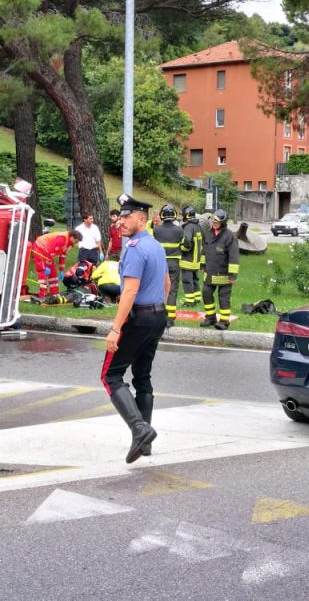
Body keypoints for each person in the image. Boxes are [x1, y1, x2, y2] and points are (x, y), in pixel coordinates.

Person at [102, 195, 169, 464]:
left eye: (127, 217)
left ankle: (139, 429)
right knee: (142, 376)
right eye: (121, 216)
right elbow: (165, 284)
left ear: (142, 219)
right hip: (157, 316)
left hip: (138, 319)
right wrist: (158, 312)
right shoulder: (156, 245)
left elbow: (129, 291)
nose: (121, 221)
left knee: (111, 375)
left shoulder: (134, 247)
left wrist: (116, 329)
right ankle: (144, 443)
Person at [200, 209, 240, 330]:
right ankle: (211, 317)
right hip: (210, 272)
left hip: (224, 275)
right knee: (206, 293)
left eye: (217, 221)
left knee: (223, 298)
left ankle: (224, 321)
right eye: (213, 221)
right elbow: (204, 250)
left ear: (223, 222)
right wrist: (203, 266)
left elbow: (234, 257)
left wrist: (232, 275)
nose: (214, 223)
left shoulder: (229, 236)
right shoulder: (207, 233)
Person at [152, 204, 184, 327]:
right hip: (173, 264)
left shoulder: (157, 230)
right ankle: (170, 319)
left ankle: (158, 315)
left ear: (162, 215)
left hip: (160, 264)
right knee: (172, 290)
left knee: (159, 289)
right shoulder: (179, 230)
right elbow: (185, 245)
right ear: (174, 215)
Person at [29, 229, 81, 297]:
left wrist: (61, 270)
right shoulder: (62, 239)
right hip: (40, 247)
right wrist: (47, 266)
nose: (74, 243)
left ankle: (54, 293)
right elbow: (51, 251)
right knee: (42, 270)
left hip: (48, 251)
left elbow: (62, 256)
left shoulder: (69, 243)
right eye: (75, 240)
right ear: (72, 236)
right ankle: (42, 293)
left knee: (53, 273)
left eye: (76, 242)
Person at [179, 206, 203, 306]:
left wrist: (182, 248)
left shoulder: (188, 227)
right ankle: (197, 298)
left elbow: (187, 241)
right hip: (196, 261)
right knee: (195, 280)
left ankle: (189, 301)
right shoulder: (198, 227)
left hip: (187, 261)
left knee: (187, 281)